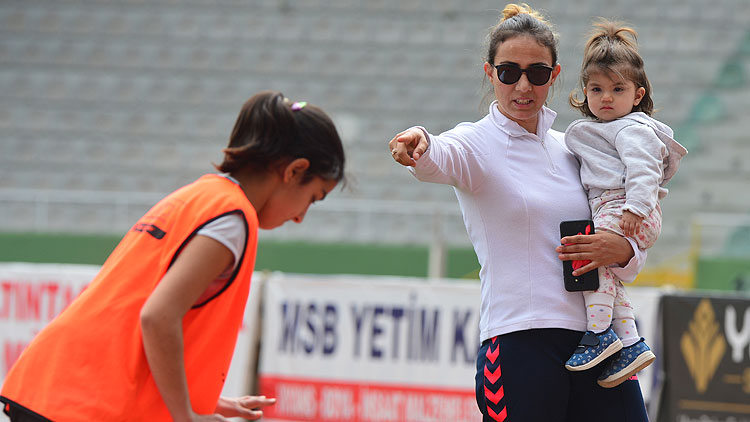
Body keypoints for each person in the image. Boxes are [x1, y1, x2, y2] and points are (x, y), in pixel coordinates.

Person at [0, 91, 346, 422]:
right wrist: (185, 416)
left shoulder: (202, 195)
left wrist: (202, 401)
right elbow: (158, 316)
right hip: (81, 402)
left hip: (58, 387)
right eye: (313, 198)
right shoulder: (232, 219)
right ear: (294, 171)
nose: (301, 217)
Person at [389, 4, 650, 421]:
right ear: (490, 73)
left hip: (599, 341)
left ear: (555, 74)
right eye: (509, 72)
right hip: (520, 342)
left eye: (537, 73)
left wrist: (622, 251)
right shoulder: (476, 143)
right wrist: (419, 139)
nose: (523, 85)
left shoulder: (575, 147)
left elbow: (626, 247)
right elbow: (439, 152)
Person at [562, 19, 687, 387]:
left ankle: (599, 333)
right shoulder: (603, 130)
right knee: (606, 272)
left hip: (626, 207)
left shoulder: (632, 128)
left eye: (618, 89)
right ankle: (630, 341)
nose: (606, 97)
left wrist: (636, 207)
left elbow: (645, 168)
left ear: (637, 95)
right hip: (621, 207)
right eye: (597, 89)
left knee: (590, 258)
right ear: (585, 91)